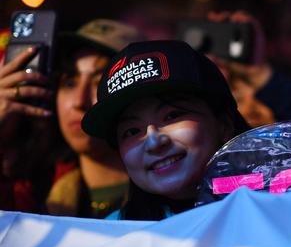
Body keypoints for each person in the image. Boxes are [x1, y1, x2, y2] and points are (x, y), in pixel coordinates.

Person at [81, 40, 249, 220]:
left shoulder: (276, 202)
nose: (153, 142)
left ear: (224, 123)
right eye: (132, 131)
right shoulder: (113, 235)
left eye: (172, 116)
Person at [0, 19, 141, 217]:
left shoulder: (182, 199)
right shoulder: (30, 197)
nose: (79, 101)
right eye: (69, 82)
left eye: (100, 82)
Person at [205, 0, 291, 126]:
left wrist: (260, 76)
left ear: (268, 43)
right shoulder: (197, 88)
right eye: (216, 34)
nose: (224, 44)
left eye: (240, 35)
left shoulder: (287, 88)